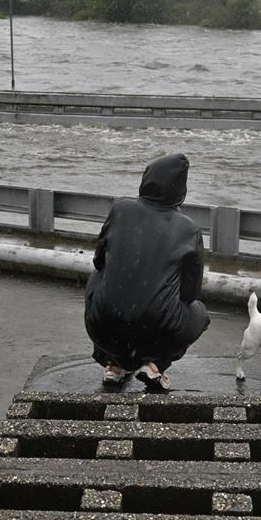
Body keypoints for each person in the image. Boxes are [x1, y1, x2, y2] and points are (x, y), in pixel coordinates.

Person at [84, 153, 210, 391]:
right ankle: (155, 364)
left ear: (146, 180)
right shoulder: (189, 229)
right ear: (180, 190)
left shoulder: (119, 209)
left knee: (96, 278)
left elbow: (99, 261)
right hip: (159, 332)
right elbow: (190, 293)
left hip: (102, 327)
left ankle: (114, 363)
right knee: (200, 313)